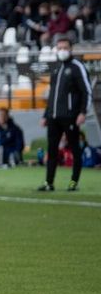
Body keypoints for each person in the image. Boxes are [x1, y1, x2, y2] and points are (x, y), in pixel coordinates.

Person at [38, 38, 93, 191]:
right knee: (52, 150)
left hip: (70, 116)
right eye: (59, 47)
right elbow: (52, 95)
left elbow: (86, 91)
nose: (62, 50)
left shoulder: (77, 67)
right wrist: (45, 115)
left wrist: (82, 112)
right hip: (53, 117)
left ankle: (73, 182)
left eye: (65, 47)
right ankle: (49, 183)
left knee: (75, 149)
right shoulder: (56, 68)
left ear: (71, 49)